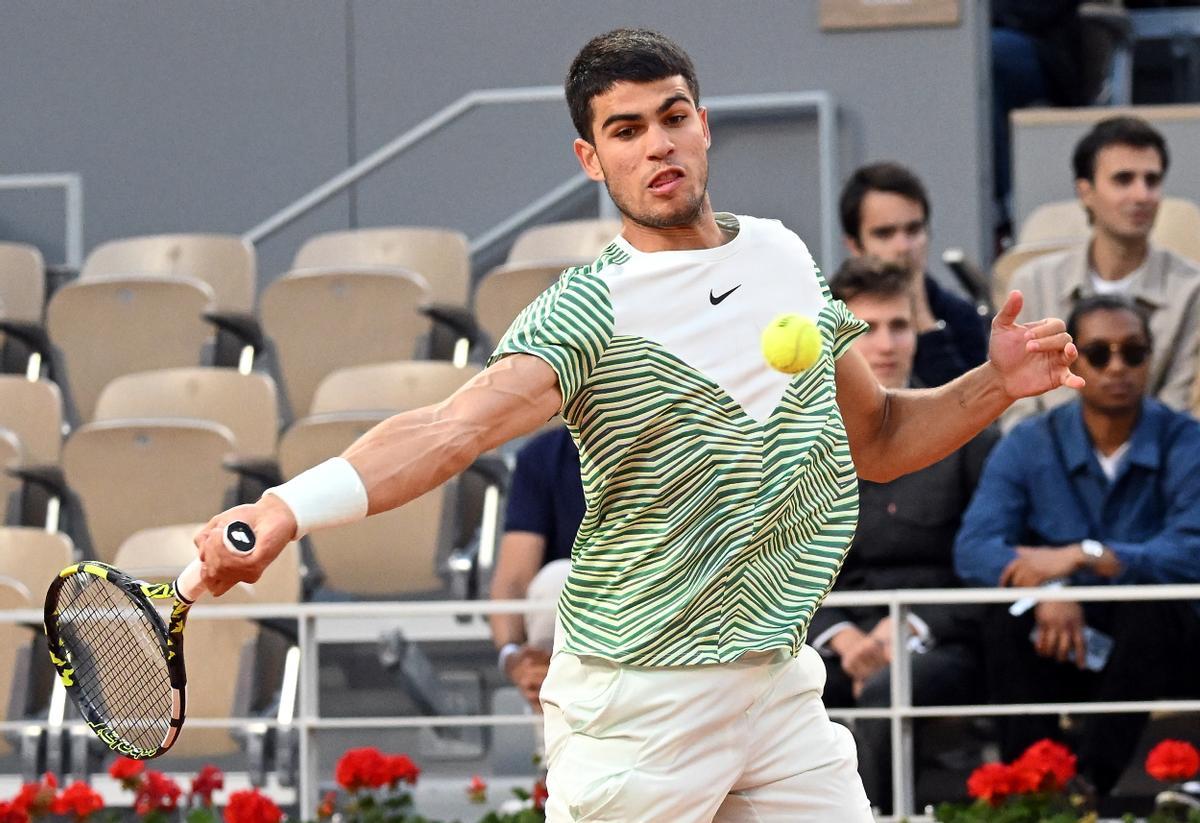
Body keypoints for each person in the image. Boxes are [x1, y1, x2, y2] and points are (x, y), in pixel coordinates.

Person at [195, 28, 1082, 822]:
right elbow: (446, 431)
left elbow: (881, 437)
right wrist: (286, 508)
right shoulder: (588, 313)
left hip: (775, 680)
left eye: (672, 117)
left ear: (704, 128)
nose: (657, 143)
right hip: (641, 696)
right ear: (592, 158)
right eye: (626, 130)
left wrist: (995, 384)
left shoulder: (779, 253)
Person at [955, 294, 1200, 797]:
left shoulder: (1185, 440)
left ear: (1151, 358)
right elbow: (975, 548)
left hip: (1157, 638)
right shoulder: (1029, 441)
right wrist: (1051, 587)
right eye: (1099, 352)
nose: (1117, 367)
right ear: (1073, 358)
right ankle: (1033, 791)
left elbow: (1190, 551)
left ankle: (1088, 787)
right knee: (1006, 620)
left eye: (1133, 353)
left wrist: (1088, 555)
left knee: (1152, 610)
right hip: (1056, 631)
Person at [814, 257, 996, 812]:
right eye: (865, 330)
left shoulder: (964, 429)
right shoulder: (796, 442)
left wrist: (908, 629)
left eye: (899, 326)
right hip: (828, 642)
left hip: (942, 643)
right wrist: (837, 633)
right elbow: (772, 562)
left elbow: (988, 565)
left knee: (892, 686)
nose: (887, 344)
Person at [1004, 116, 1200, 430]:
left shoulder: (1191, 289)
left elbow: (1178, 407)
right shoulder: (1033, 283)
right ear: (1086, 192)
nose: (1141, 195)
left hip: (1151, 464)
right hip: (1045, 462)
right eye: (1123, 179)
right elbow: (1016, 403)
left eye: (1152, 180)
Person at [839, 162, 989, 387]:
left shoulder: (960, 316)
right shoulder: (828, 313)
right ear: (854, 245)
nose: (903, 246)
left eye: (913, 230)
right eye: (884, 233)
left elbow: (971, 411)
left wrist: (924, 322)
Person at [489, 425, 583, 710]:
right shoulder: (542, 455)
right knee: (557, 581)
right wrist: (515, 657)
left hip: (663, 612)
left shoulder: (686, 444)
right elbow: (514, 581)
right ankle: (554, 738)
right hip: (575, 631)